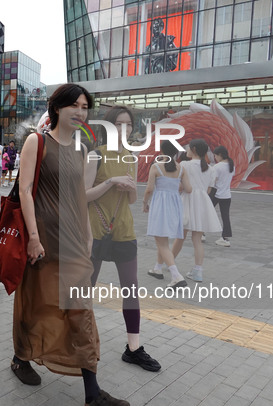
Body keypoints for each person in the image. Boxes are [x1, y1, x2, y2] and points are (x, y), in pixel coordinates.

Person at [12, 83, 130, 406]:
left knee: (80, 311)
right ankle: (21, 357)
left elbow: (79, 195)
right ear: (57, 108)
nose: (81, 112)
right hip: (43, 240)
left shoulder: (79, 149)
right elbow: (23, 191)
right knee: (36, 304)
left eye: (85, 106)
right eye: (74, 105)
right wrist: (33, 237)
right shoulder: (37, 141)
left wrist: (89, 234)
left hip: (75, 241)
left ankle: (92, 393)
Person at [85, 106, 161, 372]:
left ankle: (133, 348)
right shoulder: (95, 156)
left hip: (123, 229)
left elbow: (132, 198)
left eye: (128, 125)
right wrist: (109, 182)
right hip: (94, 230)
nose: (124, 129)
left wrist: (129, 188)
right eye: (119, 124)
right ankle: (79, 341)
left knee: (131, 288)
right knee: (86, 289)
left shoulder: (131, 157)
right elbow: (82, 196)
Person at [171, 139, 222, 282]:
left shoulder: (184, 165)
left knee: (180, 236)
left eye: (187, 148)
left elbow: (180, 187)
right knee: (197, 239)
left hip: (187, 199)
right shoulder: (211, 169)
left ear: (193, 149)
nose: (185, 150)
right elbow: (209, 190)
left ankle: (169, 263)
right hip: (202, 202)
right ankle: (198, 271)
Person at [144, 140, 192, 288]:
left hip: (160, 205)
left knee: (162, 242)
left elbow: (149, 189)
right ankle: (157, 268)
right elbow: (189, 189)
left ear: (162, 151)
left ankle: (176, 276)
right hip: (175, 205)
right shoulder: (181, 168)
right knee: (163, 239)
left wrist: (145, 202)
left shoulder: (156, 167)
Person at [210, 146, 235, 247]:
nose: (215, 158)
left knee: (205, 212)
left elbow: (213, 180)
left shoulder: (217, 167)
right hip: (226, 194)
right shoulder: (232, 165)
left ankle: (201, 233)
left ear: (220, 155)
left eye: (215, 155)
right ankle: (225, 238)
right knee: (225, 216)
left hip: (215, 193)